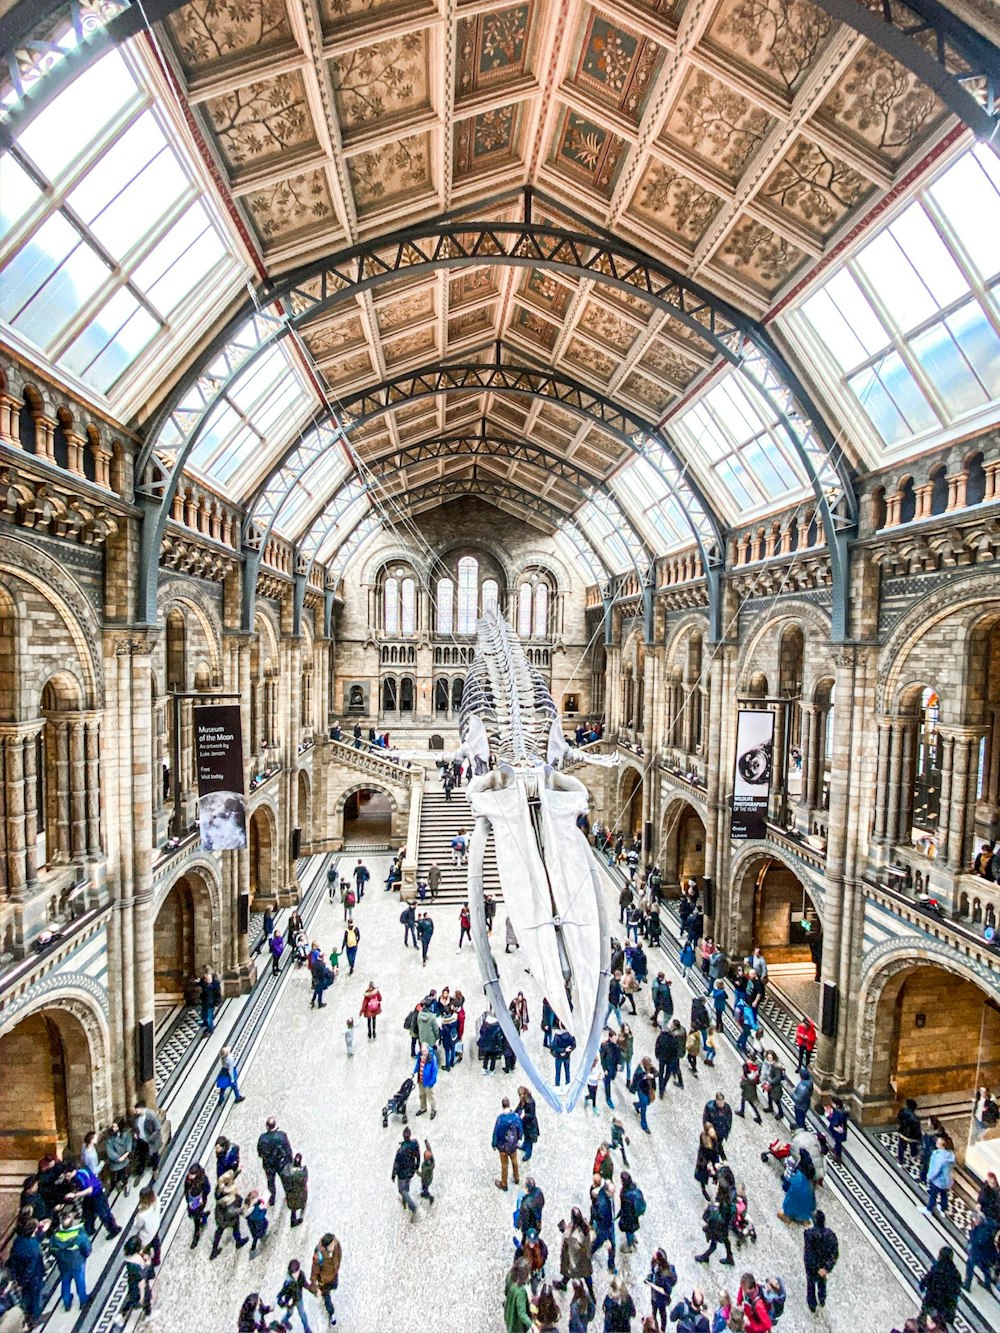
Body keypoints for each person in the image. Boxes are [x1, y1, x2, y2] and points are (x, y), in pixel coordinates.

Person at [50, 1206, 92, 1312]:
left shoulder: (55, 1237)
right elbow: (87, 1249)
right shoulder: (79, 1236)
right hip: (77, 1262)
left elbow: (52, 1250)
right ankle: (83, 1301)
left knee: (65, 1281)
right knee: (80, 1281)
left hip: (63, 1264)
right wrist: (84, 1256)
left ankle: (67, 1302)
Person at [8, 1215, 45, 1328]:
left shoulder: (18, 1241)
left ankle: (28, 1314)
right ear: (34, 1229)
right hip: (33, 1277)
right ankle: (35, 1318)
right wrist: (25, 1280)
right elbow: (32, 1268)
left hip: (20, 1274)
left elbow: (13, 1260)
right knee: (34, 1296)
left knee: (26, 1295)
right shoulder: (34, 1248)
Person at [114, 1235, 155, 1327]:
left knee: (131, 1299)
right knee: (145, 1299)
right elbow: (142, 1280)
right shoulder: (136, 1262)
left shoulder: (128, 1257)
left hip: (132, 1282)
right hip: (139, 1284)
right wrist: (142, 1295)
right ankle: (148, 1314)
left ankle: (121, 1315)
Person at [803, 1208, 838, 1312]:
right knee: (822, 1282)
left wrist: (817, 1267)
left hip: (812, 1267)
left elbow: (809, 1253)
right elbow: (835, 1253)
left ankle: (812, 1304)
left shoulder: (809, 1234)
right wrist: (826, 1268)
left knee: (811, 1283)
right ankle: (822, 1299)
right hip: (824, 1266)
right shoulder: (831, 1234)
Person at [919, 1246, 962, 1328]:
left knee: (923, 1324)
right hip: (946, 1308)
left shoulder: (936, 1269)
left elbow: (925, 1282)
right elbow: (957, 1291)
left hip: (931, 1303)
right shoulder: (955, 1273)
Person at [257, 1118, 294, 1206]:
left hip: (269, 1165)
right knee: (285, 1180)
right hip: (281, 1163)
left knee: (270, 1183)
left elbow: (260, 1152)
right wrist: (290, 1161)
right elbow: (288, 1149)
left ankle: (272, 1200)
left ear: (267, 1126)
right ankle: (288, 1196)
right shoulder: (282, 1136)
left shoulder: (263, 1138)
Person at [310, 1232, 342, 1326]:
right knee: (327, 1299)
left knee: (335, 1286)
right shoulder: (319, 1257)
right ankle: (331, 1313)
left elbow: (339, 1256)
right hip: (324, 1282)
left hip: (333, 1275)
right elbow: (314, 1273)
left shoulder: (336, 1245)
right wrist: (315, 1287)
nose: (334, 1245)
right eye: (332, 1245)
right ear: (327, 1246)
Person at [777, 1148, 816, 1225]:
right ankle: (804, 1220)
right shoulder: (809, 1182)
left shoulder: (797, 1177)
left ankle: (788, 1218)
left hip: (793, 1204)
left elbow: (789, 1188)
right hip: (805, 1211)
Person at [493, 1096, 523, 1190]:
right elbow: (520, 1130)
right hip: (513, 1145)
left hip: (503, 1147)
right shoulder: (516, 1117)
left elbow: (496, 1132)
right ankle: (517, 1177)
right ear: (509, 1105)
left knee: (504, 1165)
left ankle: (504, 1183)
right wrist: (518, 1138)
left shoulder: (500, 1119)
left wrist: (494, 1144)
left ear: (502, 1106)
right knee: (515, 1161)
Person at [923, 1133, 955, 1216]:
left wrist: (929, 1176)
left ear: (943, 1146)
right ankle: (943, 1208)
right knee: (944, 1194)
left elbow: (935, 1169)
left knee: (933, 1195)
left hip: (937, 1180)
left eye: (938, 1142)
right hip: (946, 1180)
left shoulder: (939, 1156)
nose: (936, 1142)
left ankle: (928, 1209)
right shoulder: (950, 1154)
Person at [391, 1126, 420, 1220]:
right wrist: (417, 1166)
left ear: (403, 1136)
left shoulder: (400, 1151)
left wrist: (393, 1175)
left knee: (401, 1190)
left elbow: (396, 1164)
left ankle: (412, 1207)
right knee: (406, 1187)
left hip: (402, 1173)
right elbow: (418, 1156)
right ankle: (404, 1201)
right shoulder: (415, 1144)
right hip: (411, 1170)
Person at [645, 1249, 677, 1332]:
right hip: (654, 1296)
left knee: (662, 1313)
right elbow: (652, 1274)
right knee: (654, 1309)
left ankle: (662, 1329)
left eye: (655, 1254)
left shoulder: (666, 1274)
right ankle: (654, 1321)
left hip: (661, 1299)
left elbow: (667, 1291)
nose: (653, 1254)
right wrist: (650, 1278)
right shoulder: (654, 1264)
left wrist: (651, 1284)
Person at [277, 1258, 311, 1333]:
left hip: (298, 1298)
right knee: (290, 1313)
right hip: (290, 1301)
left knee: (302, 1314)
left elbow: (304, 1283)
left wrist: (311, 1288)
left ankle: (307, 1329)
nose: (297, 1274)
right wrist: (283, 1303)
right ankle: (284, 1321)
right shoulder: (288, 1283)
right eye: (295, 1273)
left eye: (298, 1271)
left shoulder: (301, 1274)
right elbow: (280, 1295)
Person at [132, 1101, 164, 1181]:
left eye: (137, 1110)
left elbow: (157, 1128)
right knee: (141, 1155)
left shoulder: (151, 1115)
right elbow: (135, 1127)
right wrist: (135, 1133)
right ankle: (141, 1169)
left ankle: (155, 1169)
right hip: (141, 1140)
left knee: (154, 1155)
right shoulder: (136, 1117)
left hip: (151, 1141)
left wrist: (150, 1139)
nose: (136, 1112)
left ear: (142, 1109)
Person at [590, 1179, 617, 1274]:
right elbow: (601, 1222)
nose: (615, 1193)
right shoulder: (602, 1205)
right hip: (605, 1228)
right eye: (613, 1192)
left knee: (612, 1246)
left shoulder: (604, 1193)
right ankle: (589, 1253)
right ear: (607, 1191)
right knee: (601, 1243)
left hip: (609, 1224)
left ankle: (611, 1264)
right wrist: (606, 1240)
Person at [132, 1185, 161, 1266]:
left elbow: (137, 1225)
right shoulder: (156, 1200)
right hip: (155, 1227)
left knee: (145, 1251)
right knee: (156, 1244)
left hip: (146, 1235)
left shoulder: (142, 1214)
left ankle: (147, 1264)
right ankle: (157, 1259)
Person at [617, 1170, 645, 1252]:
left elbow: (625, 1210)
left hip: (628, 1218)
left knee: (628, 1230)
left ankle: (630, 1244)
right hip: (634, 1215)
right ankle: (632, 1238)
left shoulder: (626, 1196)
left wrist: (621, 1217)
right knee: (631, 1229)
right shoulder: (634, 1189)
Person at [505, 1258, 533, 1333]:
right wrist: (532, 1325)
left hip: (508, 1312)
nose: (530, 1276)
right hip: (516, 1323)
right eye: (528, 1273)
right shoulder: (521, 1292)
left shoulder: (509, 1276)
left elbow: (506, 1292)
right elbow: (522, 1313)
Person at [282, 1152, 308, 1227]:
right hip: (299, 1193)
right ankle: (298, 1217)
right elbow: (305, 1180)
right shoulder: (302, 1172)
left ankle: (293, 1220)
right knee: (301, 1202)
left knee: (293, 1207)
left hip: (291, 1193)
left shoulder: (287, 1170)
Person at [704, 1092, 733, 1161]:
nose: (721, 1104)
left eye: (722, 1102)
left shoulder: (727, 1107)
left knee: (719, 1146)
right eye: (720, 1102)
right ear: (716, 1101)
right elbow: (706, 1119)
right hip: (713, 1131)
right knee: (713, 1146)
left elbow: (729, 1120)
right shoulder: (710, 1107)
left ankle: (722, 1160)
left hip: (721, 1132)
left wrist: (727, 1131)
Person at [414, 1041, 438, 1119]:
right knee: (421, 1095)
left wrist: (431, 1083)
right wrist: (414, 1071)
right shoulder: (420, 1055)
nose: (423, 1053)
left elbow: (434, 1072)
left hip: (428, 1082)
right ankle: (423, 1108)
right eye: (422, 1051)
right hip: (421, 1080)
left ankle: (433, 1109)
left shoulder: (432, 1059)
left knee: (430, 1097)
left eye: (425, 1051)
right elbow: (418, 1064)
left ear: (428, 1050)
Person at [897, 1097, 922, 1164]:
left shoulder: (902, 1111)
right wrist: (919, 1137)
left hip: (903, 1133)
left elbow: (899, 1120)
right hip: (912, 1136)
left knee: (901, 1147)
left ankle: (900, 1160)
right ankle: (913, 1155)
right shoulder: (916, 1119)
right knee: (913, 1146)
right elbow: (917, 1129)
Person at [517, 1086, 539, 1161]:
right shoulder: (523, 1100)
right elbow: (519, 1108)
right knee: (526, 1137)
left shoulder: (531, 1102)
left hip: (531, 1125)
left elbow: (532, 1115)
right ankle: (523, 1146)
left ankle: (528, 1154)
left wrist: (524, 1116)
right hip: (525, 1124)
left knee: (529, 1141)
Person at [198, 966, 222, 1035]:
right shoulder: (204, 981)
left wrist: (217, 1002)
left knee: (209, 1017)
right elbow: (201, 985)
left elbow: (218, 994)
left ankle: (210, 1030)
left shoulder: (215, 984)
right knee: (204, 1014)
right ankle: (205, 1023)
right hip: (205, 1001)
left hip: (211, 1002)